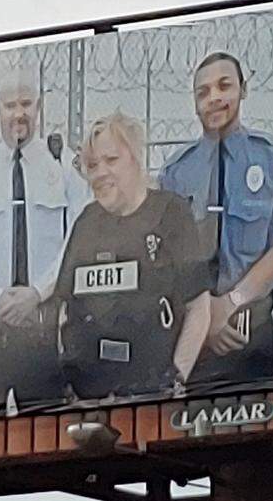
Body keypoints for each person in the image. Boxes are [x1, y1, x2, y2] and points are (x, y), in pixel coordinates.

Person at [158, 52, 273, 391]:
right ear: (195, 104)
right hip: (195, 341)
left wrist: (230, 304)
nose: (215, 99)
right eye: (203, 92)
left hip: (250, 333)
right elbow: (168, 259)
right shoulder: (176, 173)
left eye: (224, 86)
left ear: (243, 90)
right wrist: (205, 315)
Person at [0, 66, 90, 411]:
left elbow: (78, 238)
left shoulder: (63, 167)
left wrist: (37, 293)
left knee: (45, 435)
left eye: (26, 104)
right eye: (10, 105)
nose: (19, 114)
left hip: (43, 325)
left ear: (39, 108)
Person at [55, 112, 211, 399]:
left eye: (111, 160)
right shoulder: (86, 223)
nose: (101, 172)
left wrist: (176, 379)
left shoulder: (171, 214)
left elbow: (199, 308)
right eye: (92, 165)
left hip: (152, 396)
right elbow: (65, 308)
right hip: (91, 395)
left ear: (135, 157)